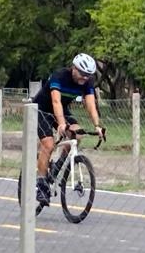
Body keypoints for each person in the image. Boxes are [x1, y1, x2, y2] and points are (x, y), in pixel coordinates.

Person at [32, 53, 105, 204]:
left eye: (88, 75)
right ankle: (40, 183)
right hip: (42, 110)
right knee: (48, 144)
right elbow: (56, 101)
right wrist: (61, 123)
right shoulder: (59, 76)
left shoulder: (87, 82)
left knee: (77, 134)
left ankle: (57, 168)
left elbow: (90, 105)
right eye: (82, 74)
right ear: (73, 68)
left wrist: (97, 125)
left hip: (61, 111)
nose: (84, 78)